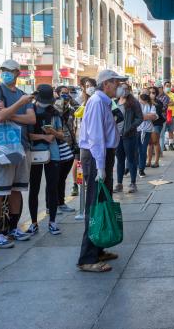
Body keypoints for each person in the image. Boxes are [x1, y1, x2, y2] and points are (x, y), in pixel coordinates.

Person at [77, 69, 124, 272]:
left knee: (103, 202)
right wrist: (100, 166)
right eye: (116, 83)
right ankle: (87, 257)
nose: (119, 86)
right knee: (95, 207)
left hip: (103, 156)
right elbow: (96, 137)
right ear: (106, 84)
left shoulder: (103, 102)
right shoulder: (97, 102)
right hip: (97, 157)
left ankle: (98, 248)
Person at [0, 59, 36, 248]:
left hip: (22, 148)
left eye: (10, 70)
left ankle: (14, 228)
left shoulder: (23, 94)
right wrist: (19, 106)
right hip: (2, 147)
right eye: (3, 70)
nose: (6, 73)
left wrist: (8, 112)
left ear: (18, 73)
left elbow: (31, 119)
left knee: (17, 189)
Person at [25, 85, 65, 235]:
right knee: (34, 188)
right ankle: (34, 223)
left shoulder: (55, 113)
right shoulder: (30, 111)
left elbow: (61, 135)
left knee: (52, 188)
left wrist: (52, 132)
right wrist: (43, 136)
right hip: (34, 154)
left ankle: (52, 222)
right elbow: (27, 135)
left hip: (53, 154)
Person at [115, 82, 143, 193]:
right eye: (122, 88)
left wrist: (130, 127)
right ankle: (119, 183)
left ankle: (133, 183)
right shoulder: (115, 102)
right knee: (120, 160)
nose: (124, 91)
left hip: (129, 135)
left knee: (131, 159)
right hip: (118, 136)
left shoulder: (133, 102)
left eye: (126, 89)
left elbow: (139, 118)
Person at [55, 85, 78, 213]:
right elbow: (57, 111)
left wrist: (70, 99)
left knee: (63, 177)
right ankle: (51, 205)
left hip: (69, 146)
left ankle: (61, 203)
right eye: (63, 93)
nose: (66, 95)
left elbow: (79, 108)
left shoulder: (70, 109)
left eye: (67, 93)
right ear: (57, 94)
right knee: (55, 178)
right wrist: (61, 100)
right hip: (58, 146)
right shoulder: (54, 108)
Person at [137, 93, 158, 178]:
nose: (141, 102)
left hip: (147, 131)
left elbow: (154, 116)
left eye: (143, 101)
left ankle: (141, 169)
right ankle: (129, 167)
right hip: (136, 130)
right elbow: (140, 116)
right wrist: (148, 116)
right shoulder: (136, 105)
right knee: (135, 150)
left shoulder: (151, 106)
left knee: (143, 149)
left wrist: (144, 117)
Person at [148, 86, 165, 168]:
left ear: (156, 94)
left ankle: (156, 162)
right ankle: (148, 161)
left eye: (153, 92)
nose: (151, 94)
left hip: (156, 124)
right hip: (147, 124)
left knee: (155, 142)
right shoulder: (146, 102)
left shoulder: (158, 103)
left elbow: (156, 115)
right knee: (149, 143)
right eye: (150, 92)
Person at [156, 82, 171, 151]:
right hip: (155, 119)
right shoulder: (155, 96)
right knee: (155, 136)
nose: (157, 90)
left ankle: (160, 151)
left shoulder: (165, 97)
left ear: (162, 88)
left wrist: (155, 108)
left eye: (159, 88)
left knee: (161, 135)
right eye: (156, 88)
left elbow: (163, 108)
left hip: (162, 118)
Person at [164, 81, 174, 150]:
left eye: (169, 86)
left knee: (171, 130)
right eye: (167, 86)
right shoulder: (162, 94)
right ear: (164, 86)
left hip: (171, 114)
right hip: (164, 114)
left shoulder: (173, 94)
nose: (168, 87)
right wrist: (169, 102)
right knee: (163, 130)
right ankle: (163, 145)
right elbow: (163, 103)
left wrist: (167, 103)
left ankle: (170, 144)